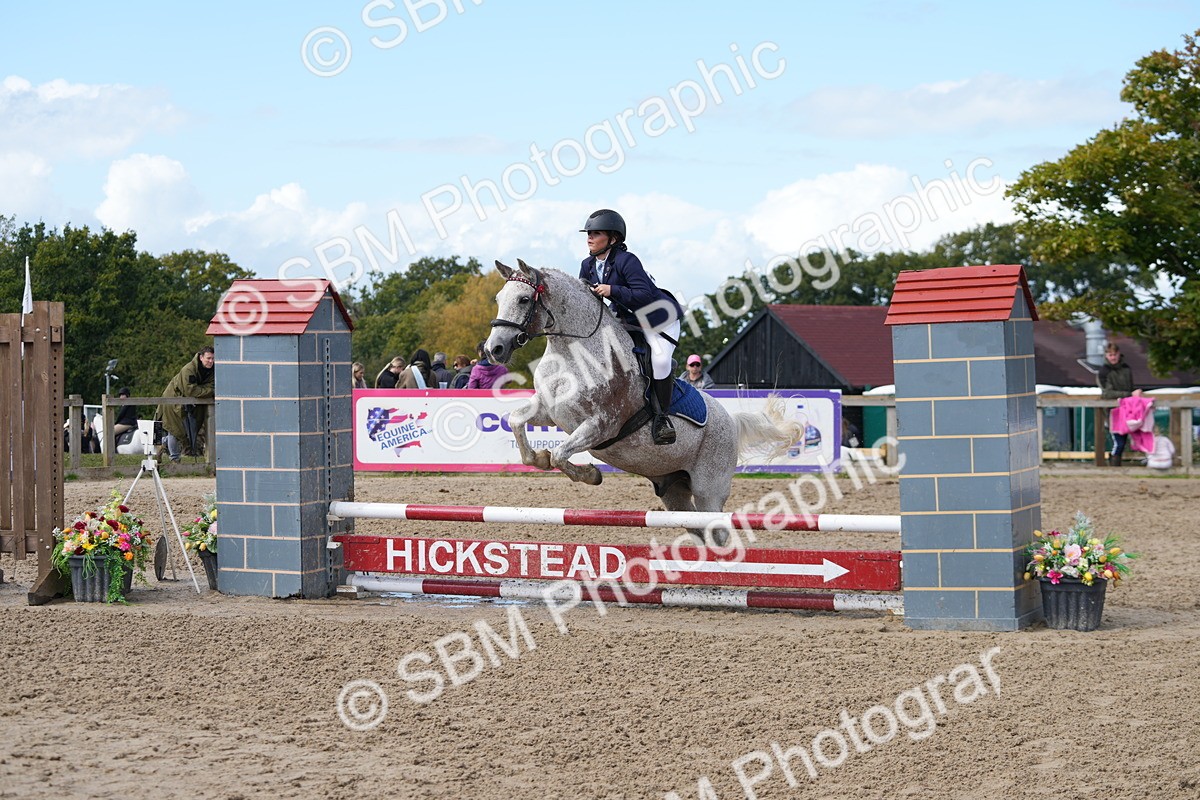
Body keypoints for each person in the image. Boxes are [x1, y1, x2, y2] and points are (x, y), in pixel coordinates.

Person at [579, 208, 685, 445]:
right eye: (588, 233)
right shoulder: (587, 265)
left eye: (596, 233)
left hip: (658, 318)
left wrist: (612, 290)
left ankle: (661, 419)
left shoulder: (627, 260)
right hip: (628, 321)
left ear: (613, 239)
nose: (589, 238)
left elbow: (644, 296)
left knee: (659, 360)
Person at [157, 345, 215, 462]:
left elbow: (212, 386)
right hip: (173, 399)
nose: (211, 361)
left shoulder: (212, 371)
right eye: (208, 358)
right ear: (201, 357)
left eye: (213, 359)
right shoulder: (188, 370)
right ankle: (175, 460)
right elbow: (191, 391)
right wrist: (208, 391)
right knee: (175, 430)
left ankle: (164, 443)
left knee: (187, 432)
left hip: (189, 403)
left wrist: (205, 390)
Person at [1098, 343, 1136, 466]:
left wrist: (1133, 394)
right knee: (1119, 441)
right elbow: (1107, 393)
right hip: (1113, 410)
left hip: (1129, 408)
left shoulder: (1126, 369)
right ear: (1106, 355)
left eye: (1115, 354)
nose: (1113, 357)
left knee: (1131, 438)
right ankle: (1115, 464)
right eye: (1110, 355)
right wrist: (1129, 394)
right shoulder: (1103, 372)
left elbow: (1131, 386)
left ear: (1119, 354)